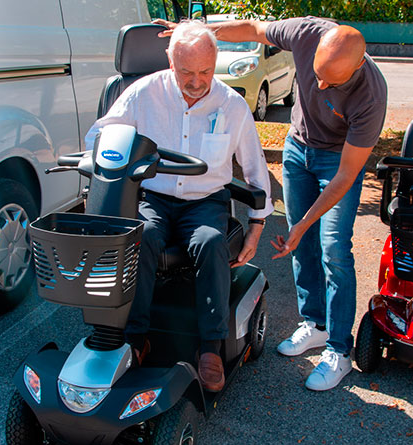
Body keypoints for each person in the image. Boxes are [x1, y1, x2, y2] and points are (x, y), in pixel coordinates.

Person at [156, 16, 387, 391]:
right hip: (298, 146)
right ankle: (314, 324)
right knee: (302, 249)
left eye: (333, 82)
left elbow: (346, 175)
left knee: (333, 250)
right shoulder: (308, 33)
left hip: (336, 160)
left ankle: (339, 350)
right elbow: (251, 29)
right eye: (317, 75)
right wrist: (193, 28)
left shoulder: (371, 97)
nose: (322, 86)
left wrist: (301, 224)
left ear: (359, 66)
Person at [85, 21, 273, 392]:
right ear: (171, 62)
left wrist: (257, 226)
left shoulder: (232, 105)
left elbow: (255, 167)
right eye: (186, 71)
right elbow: (99, 135)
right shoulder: (143, 93)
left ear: (215, 61)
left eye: (205, 71)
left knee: (209, 242)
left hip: (205, 201)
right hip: (154, 197)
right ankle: (137, 338)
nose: (196, 80)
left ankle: (210, 347)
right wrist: (113, 155)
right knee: (143, 237)